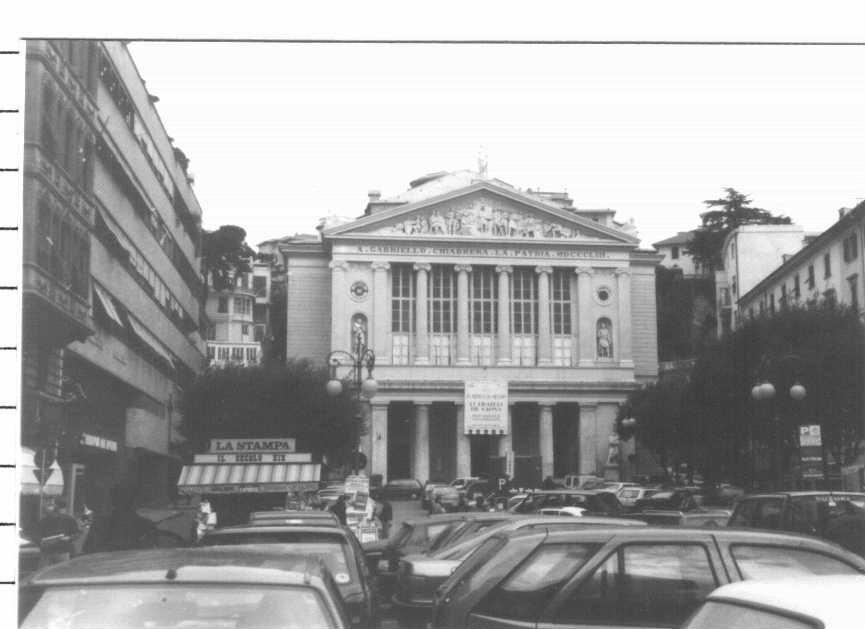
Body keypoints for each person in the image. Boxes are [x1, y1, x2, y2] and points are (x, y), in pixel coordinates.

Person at [37, 497, 80, 567]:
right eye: (48, 505)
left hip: (62, 550)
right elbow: (39, 535)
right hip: (49, 551)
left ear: (56, 507)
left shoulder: (68, 519)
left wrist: (69, 538)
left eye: (51, 505)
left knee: (60, 571)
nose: (48, 508)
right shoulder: (44, 521)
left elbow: (77, 533)